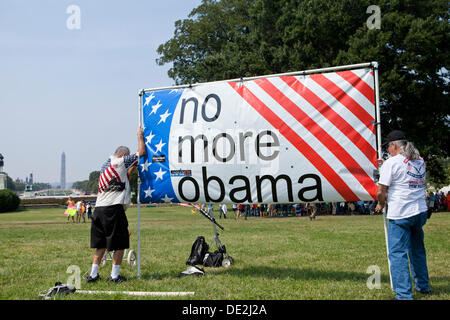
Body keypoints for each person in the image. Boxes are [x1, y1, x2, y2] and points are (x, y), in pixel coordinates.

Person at [375, 130, 430, 300]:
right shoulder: (420, 161)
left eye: (388, 147)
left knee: (397, 254)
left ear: (394, 145)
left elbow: (381, 191)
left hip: (401, 213)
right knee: (417, 250)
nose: (387, 150)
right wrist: (386, 163)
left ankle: (404, 294)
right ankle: (423, 285)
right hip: (420, 210)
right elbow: (405, 170)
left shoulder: (390, 164)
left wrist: (380, 204)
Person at [86, 127, 146, 284]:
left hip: (99, 209)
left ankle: (93, 275)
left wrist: (133, 167)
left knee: (101, 245)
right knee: (120, 243)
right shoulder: (121, 161)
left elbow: (124, 176)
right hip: (113, 209)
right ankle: (114, 276)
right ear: (124, 155)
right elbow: (142, 152)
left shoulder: (106, 165)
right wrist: (140, 136)